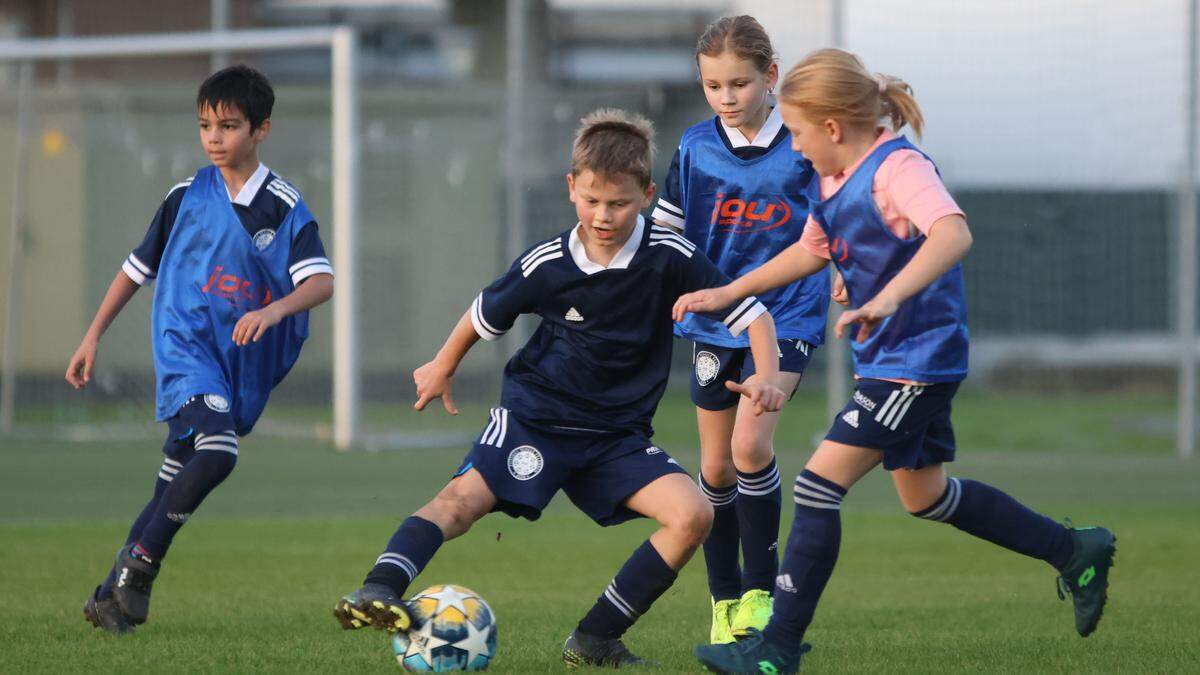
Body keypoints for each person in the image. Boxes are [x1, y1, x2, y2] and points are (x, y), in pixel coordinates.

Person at [676, 49, 1116, 673]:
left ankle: (775, 651)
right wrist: (727, 291)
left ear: (832, 128)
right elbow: (808, 254)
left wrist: (886, 295)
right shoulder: (830, 182)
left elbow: (952, 232)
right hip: (885, 362)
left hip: (919, 362)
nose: (794, 149)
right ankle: (1075, 549)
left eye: (799, 133)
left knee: (816, 484)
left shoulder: (897, 166)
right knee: (926, 497)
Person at [332, 108, 787, 668]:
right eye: (592, 200)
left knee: (694, 513)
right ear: (572, 188)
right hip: (536, 419)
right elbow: (484, 312)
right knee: (460, 503)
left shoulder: (670, 256)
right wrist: (443, 363)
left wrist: (766, 373)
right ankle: (378, 588)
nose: (603, 215)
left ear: (646, 194)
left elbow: (753, 313)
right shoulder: (547, 262)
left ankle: (595, 637)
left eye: (619, 203)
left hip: (616, 437)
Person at [66, 64, 335, 634]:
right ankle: (141, 567)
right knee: (218, 452)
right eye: (205, 126)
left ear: (261, 129)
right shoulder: (186, 195)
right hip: (185, 347)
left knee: (175, 477)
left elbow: (321, 282)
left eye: (229, 126)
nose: (215, 138)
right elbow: (136, 270)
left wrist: (271, 309)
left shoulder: (282, 205)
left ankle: (108, 595)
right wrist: (92, 335)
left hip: (238, 360)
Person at [651, 15, 829, 644]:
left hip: (788, 315)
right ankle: (726, 604)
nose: (727, 97)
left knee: (751, 448)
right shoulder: (696, 147)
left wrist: (847, 274)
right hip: (713, 320)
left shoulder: (803, 146)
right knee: (717, 469)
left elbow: (837, 224)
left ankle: (763, 592)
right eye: (713, 86)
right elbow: (668, 236)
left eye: (740, 84)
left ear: (770, 76)